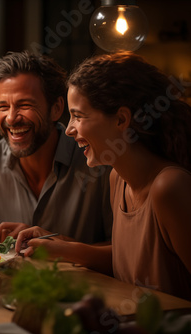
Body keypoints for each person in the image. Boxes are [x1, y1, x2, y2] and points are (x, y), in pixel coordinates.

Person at [19, 52, 191, 301]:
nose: (68, 129)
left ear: (121, 119)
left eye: (78, 116)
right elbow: (125, 260)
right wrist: (58, 246)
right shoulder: (117, 180)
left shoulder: (169, 187)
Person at [0, 50, 112, 245]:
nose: (11, 118)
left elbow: (123, 254)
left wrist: (55, 243)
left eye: (24, 105)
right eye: (3, 107)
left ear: (56, 108)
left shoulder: (98, 161)